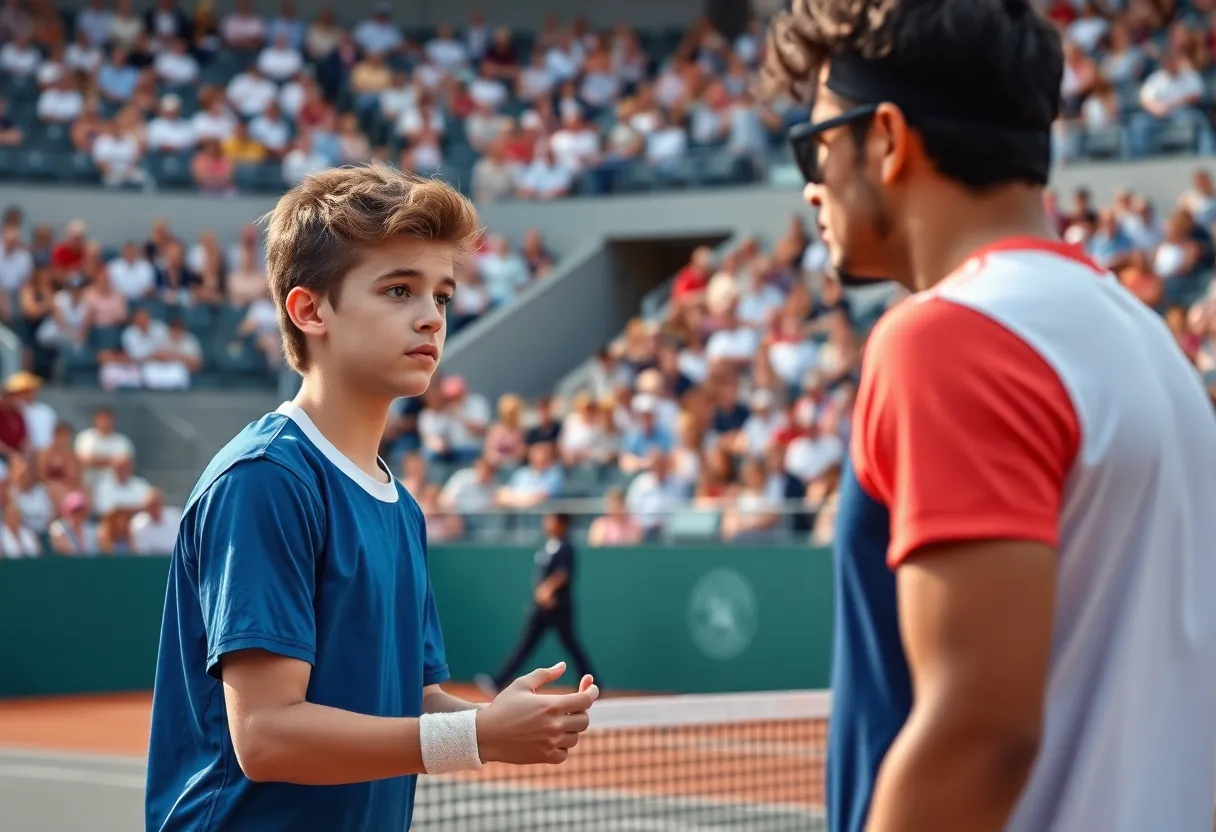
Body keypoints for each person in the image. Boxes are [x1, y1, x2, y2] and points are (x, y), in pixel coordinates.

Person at [763, 3, 1216, 832]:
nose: (812, 183)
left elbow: (978, 735)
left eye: (819, 144)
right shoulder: (1149, 345)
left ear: (889, 140)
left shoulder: (948, 338)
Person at [145, 164, 599, 832]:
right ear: (310, 310)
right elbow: (267, 735)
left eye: (441, 296)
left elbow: (411, 703)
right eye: (398, 290)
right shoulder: (265, 479)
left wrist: (493, 721)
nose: (430, 319)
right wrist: (475, 738)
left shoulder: (401, 506)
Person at [477, 512, 599, 696]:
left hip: (558, 608)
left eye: (551, 521)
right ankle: (497, 681)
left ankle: (593, 682)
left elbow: (563, 574)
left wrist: (547, 590)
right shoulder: (548, 546)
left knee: (571, 646)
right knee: (526, 645)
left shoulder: (566, 547)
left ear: (562, 525)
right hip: (543, 608)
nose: (546, 524)